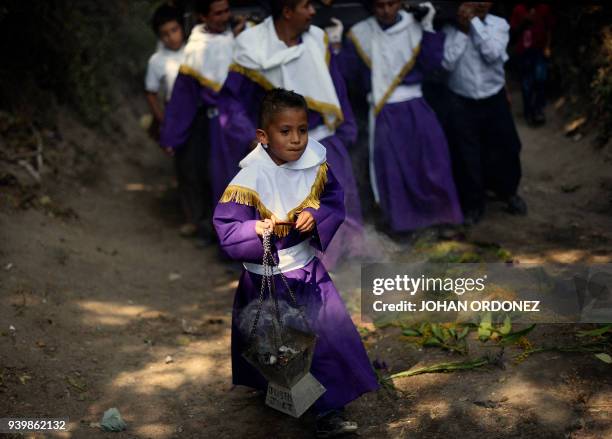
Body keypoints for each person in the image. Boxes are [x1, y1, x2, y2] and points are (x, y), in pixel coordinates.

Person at [213, 89, 379, 438]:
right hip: (264, 279)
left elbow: (334, 200)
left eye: (302, 130)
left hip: (306, 273)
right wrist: (254, 229)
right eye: (285, 131)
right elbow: (227, 229)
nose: (296, 139)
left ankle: (330, 409)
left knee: (324, 340)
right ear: (263, 136)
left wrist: (315, 216)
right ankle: (277, 388)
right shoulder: (248, 181)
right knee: (271, 341)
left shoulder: (315, 167)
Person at [218, 0, 364, 269]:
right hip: (280, 153)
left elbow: (336, 87)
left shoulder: (317, 40)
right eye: (306, 6)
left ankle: (346, 265)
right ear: (287, 11)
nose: (313, 11)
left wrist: (345, 130)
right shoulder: (251, 46)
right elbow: (231, 102)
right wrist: (251, 136)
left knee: (335, 204)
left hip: (324, 142)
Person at [340, 0, 463, 234]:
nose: (386, 11)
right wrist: (337, 47)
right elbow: (349, 74)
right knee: (393, 169)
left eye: (391, 4)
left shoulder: (414, 27)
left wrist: (428, 29)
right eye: (379, 5)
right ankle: (404, 224)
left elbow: (432, 66)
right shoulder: (361, 34)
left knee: (431, 163)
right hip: (383, 111)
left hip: (416, 108)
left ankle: (440, 219)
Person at [159, 0, 246, 241]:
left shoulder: (234, 38)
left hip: (242, 124)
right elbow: (182, 98)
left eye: (227, 11)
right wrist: (171, 135)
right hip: (217, 126)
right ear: (202, 17)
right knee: (218, 179)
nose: (224, 16)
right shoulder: (196, 50)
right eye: (217, 13)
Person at [442, 2, 527, 225]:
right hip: (461, 101)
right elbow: (447, 64)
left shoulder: (499, 25)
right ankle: (473, 204)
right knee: (467, 155)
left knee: (507, 147)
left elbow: (492, 53)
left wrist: (475, 24)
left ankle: (509, 193)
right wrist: (462, 31)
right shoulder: (449, 30)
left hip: (493, 97)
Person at [145, 4, 186, 139]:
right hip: (176, 114)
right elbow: (151, 94)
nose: (171, 37)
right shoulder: (156, 61)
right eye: (165, 34)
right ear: (159, 36)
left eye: (174, 30)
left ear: (182, 27)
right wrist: (164, 121)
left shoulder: (195, 50)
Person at [510, 2, 554, 126]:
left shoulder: (544, 8)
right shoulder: (518, 9)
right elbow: (513, 34)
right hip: (523, 53)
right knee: (527, 83)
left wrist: (547, 47)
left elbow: (549, 28)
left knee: (541, 79)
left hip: (539, 51)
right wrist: (523, 22)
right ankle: (529, 112)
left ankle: (538, 109)